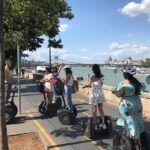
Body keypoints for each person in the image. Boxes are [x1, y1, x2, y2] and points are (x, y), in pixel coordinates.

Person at [113, 65, 145, 144]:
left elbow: (118, 94)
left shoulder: (123, 84)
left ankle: (130, 136)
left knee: (127, 121)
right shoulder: (137, 83)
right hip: (137, 103)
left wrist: (115, 92)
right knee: (137, 120)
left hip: (127, 104)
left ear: (125, 74)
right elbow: (143, 89)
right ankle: (138, 136)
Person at [84, 64, 106, 129]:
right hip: (100, 94)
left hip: (94, 95)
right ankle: (103, 124)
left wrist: (88, 78)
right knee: (101, 109)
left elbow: (89, 85)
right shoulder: (101, 77)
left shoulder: (92, 77)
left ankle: (95, 125)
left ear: (93, 70)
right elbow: (101, 85)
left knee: (94, 110)